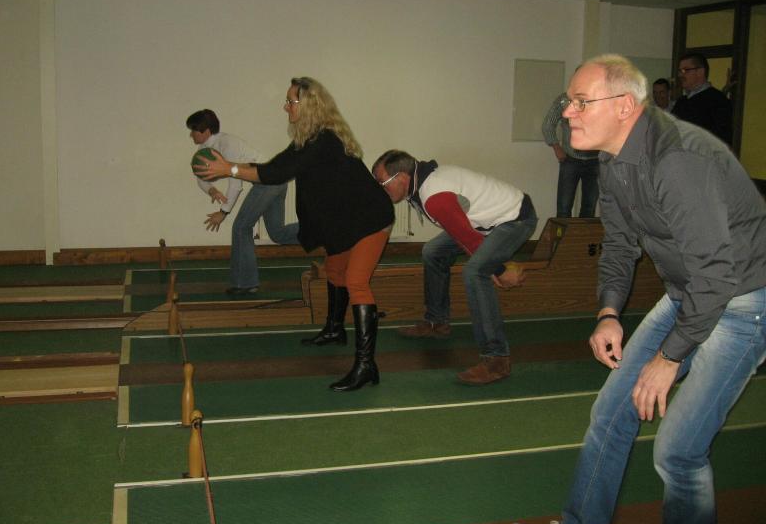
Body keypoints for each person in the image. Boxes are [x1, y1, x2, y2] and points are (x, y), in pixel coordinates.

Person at [509, 55, 766, 524]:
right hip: (689, 292)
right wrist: (609, 312)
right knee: (610, 414)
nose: (567, 113)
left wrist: (669, 358)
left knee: (678, 452)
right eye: (568, 102)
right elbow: (620, 243)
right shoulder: (613, 159)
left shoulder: (678, 160)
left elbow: (716, 275)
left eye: (581, 102)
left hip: (742, 302)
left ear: (625, 106)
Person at [195, 78, 394, 392]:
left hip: (371, 220)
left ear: (309, 105)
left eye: (291, 101)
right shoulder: (308, 139)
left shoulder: (324, 140)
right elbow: (276, 166)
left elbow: (274, 174)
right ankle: (335, 330)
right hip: (346, 223)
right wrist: (232, 167)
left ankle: (366, 365)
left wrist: (229, 169)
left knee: (356, 282)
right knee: (335, 271)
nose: (285, 106)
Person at [372, 150, 537, 386]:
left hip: (514, 219)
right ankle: (436, 322)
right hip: (482, 224)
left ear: (402, 177)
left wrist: (500, 270)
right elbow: (462, 231)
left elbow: (468, 239)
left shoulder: (434, 196)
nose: (380, 188)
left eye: (382, 182)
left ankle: (496, 359)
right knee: (432, 251)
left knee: (475, 272)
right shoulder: (421, 183)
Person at [187, 109, 298, 296]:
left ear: (205, 131)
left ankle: (245, 283)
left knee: (240, 228)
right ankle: (321, 229)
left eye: (193, 130)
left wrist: (223, 212)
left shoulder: (227, 144)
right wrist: (212, 190)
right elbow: (201, 177)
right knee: (278, 233)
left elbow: (236, 184)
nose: (191, 135)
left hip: (268, 182)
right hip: (274, 182)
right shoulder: (204, 150)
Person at [542, 92, 599, 218]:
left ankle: (582, 232)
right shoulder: (564, 99)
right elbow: (548, 125)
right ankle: (562, 232)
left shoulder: (600, 98)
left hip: (595, 160)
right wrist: (556, 147)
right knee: (564, 208)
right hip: (570, 159)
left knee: (589, 209)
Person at [671, 52, 733, 145]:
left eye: (685, 70)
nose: (680, 75)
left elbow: (721, 141)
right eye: (679, 71)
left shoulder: (718, 101)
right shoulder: (681, 102)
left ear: (700, 72)